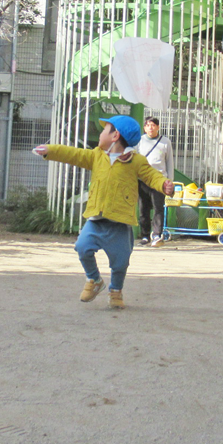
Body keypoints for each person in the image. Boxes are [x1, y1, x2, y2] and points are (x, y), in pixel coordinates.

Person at [35, 115, 174, 310]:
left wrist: (163, 184)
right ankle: (94, 279)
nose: (100, 134)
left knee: (120, 262)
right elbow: (73, 154)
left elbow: (152, 176)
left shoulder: (136, 161)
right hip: (96, 219)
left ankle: (115, 291)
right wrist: (50, 150)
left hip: (120, 223)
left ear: (115, 136)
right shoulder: (96, 156)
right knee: (82, 247)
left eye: (104, 130)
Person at [136, 116, 174, 247]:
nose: (150, 128)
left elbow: (169, 162)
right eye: (148, 125)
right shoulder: (139, 141)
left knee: (158, 208)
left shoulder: (165, 142)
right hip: (142, 180)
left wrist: (169, 181)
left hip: (159, 180)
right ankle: (145, 235)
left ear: (158, 127)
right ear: (144, 128)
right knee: (143, 209)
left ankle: (157, 235)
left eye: (153, 125)